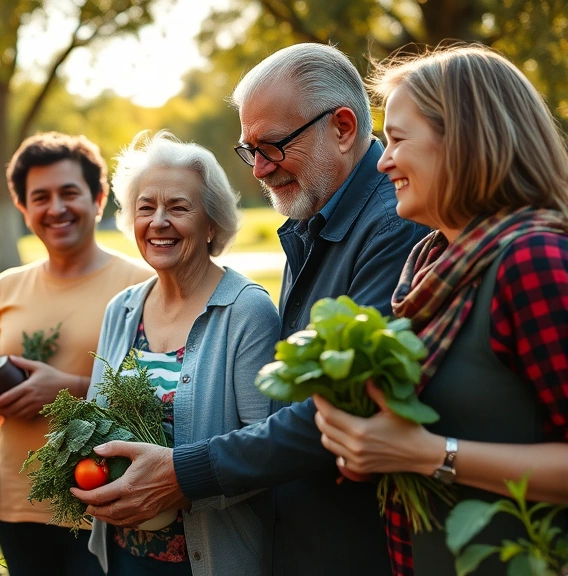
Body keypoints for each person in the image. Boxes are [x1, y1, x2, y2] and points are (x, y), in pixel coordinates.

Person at [72, 43, 430, 576]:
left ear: (343, 127)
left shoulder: (390, 227)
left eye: (273, 146)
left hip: (357, 547)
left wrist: (182, 473)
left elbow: (343, 408)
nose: (259, 169)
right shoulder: (312, 225)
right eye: (249, 149)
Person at [313, 45, 568, 576]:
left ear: (464, 141)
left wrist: (430, 454)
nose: (382, 160)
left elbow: (429, 448)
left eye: (398, 139)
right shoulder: (428, 265)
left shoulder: (533, 260)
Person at [84, 131, 279, 576]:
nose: (158, 222)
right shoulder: (124, 308)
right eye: (145, 207)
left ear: (212, 223)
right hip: (124, 554)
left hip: (209, 558)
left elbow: (266, 449)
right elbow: (94, 418)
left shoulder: (246, 310)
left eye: (178, 207)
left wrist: (178, 484)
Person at [0, 132, 152, 576]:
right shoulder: (6, 287)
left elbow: (156, 401)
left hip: (104, 497)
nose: (56, 208)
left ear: (99, 198)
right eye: (40, 197)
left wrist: (68, 388)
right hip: (18, 502)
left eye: (69, 192)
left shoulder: (141, 284)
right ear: (24, 209)